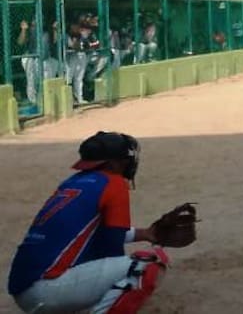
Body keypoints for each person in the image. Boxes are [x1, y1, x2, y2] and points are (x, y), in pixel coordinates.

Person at [7, 132, 178, 313]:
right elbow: (111, 248)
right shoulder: (114, 183)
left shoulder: (72, 182)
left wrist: (146, 233)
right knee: (145, 266)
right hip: (48, 292)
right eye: (124, 160)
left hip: (25, 291)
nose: (128, 163)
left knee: (97, 262)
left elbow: (94, 233)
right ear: (112, 163)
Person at [15, 20, 39, 105]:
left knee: (38, 79)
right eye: (33, 24)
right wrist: (24, 29)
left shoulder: (41, 31)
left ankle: (38, 99)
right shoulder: (28, 31)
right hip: (28, 56)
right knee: (31, 80)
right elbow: (20, 42)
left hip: (38, 57)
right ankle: (33, 100)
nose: (35, 25)